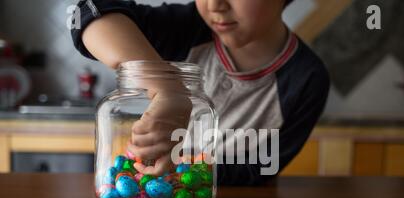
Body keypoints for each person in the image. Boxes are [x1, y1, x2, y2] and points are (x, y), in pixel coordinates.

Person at [71, 0, 330, 185]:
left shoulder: (307, 79)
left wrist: (184, 169)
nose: (215, 5)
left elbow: (259, 170)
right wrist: (167, 88)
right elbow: (87, 12)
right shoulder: (184, 27)